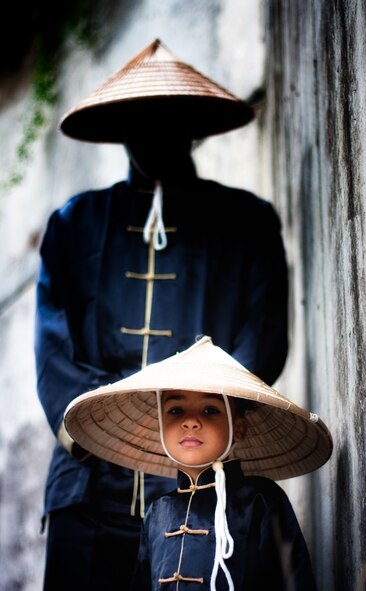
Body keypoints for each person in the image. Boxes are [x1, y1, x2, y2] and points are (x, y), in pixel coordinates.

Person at [35, 39, 289, 590]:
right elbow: (53, 346)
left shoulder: (246, 222)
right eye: (139, 119)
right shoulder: (74, 226)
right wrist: (105, 426)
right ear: (118, 126)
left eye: (171, 118)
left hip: (203, 477)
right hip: (88, 481)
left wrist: (189, 423)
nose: (155, 132)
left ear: (195, 126)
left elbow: (262, 338)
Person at [64, 335, 333, 591]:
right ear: (160, 427)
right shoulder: (157, 513)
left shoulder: (261, 501)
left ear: (238, 429)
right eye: (176, 410)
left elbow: (295, 581)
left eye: (210, 410)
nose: (190, 421)